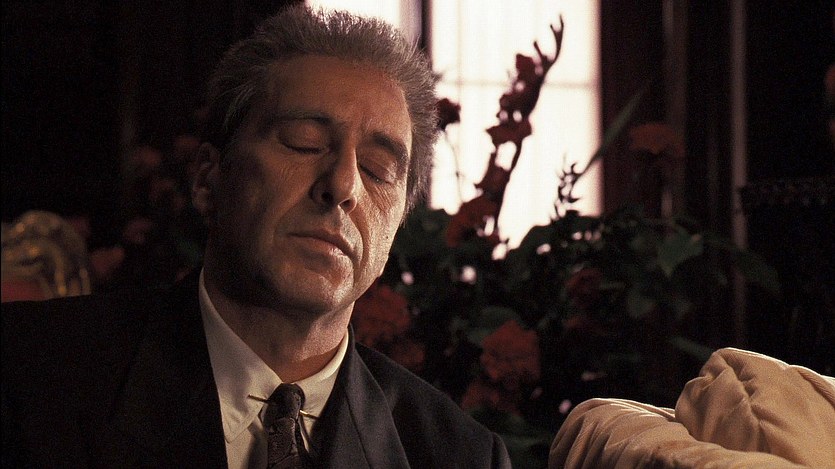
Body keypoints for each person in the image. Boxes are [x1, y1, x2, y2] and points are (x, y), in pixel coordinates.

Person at [1, 5, 511, 468]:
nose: (342, 186)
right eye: (304, 143)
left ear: (397, 224)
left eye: (377, 170)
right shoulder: (30, 378)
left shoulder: (458, 455)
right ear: (209, 178)